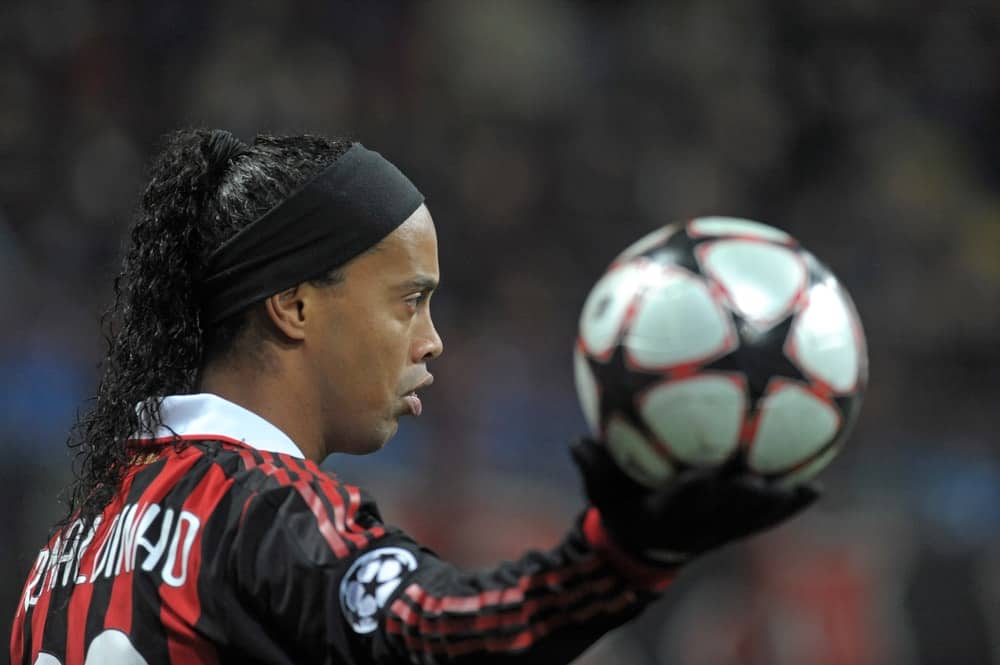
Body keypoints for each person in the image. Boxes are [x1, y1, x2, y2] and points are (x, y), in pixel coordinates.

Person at [10, 129, 817, 665]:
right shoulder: (262, 514)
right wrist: (621, 555)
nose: (431, 340)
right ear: (294, 305)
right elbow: (439, 626)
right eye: (409, 300)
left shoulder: (65, 552)